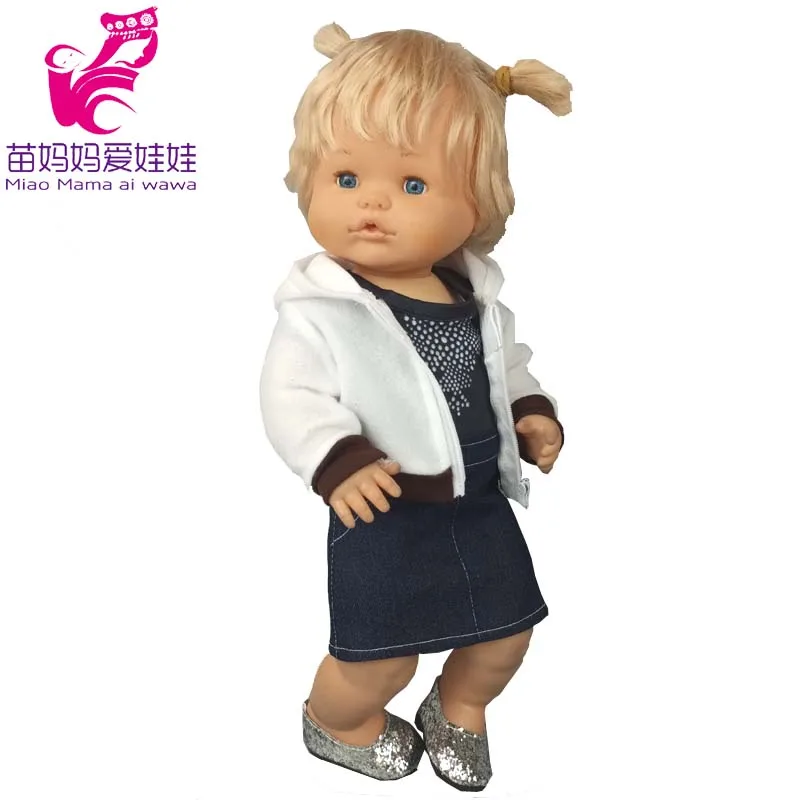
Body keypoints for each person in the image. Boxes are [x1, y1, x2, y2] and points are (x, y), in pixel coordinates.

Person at [259, 22, 571, 791]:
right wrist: (336, 460)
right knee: (380, 657)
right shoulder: (321, 309)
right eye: (345, 177)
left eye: (413, 186)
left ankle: (458, 708)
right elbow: (289, 394)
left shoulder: (473, 292)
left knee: (505, 634)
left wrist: (531, 411)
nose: (372, 203)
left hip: (479, 501)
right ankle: (337, 721)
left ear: (477, 204)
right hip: (385, 509)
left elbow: (506, 363)